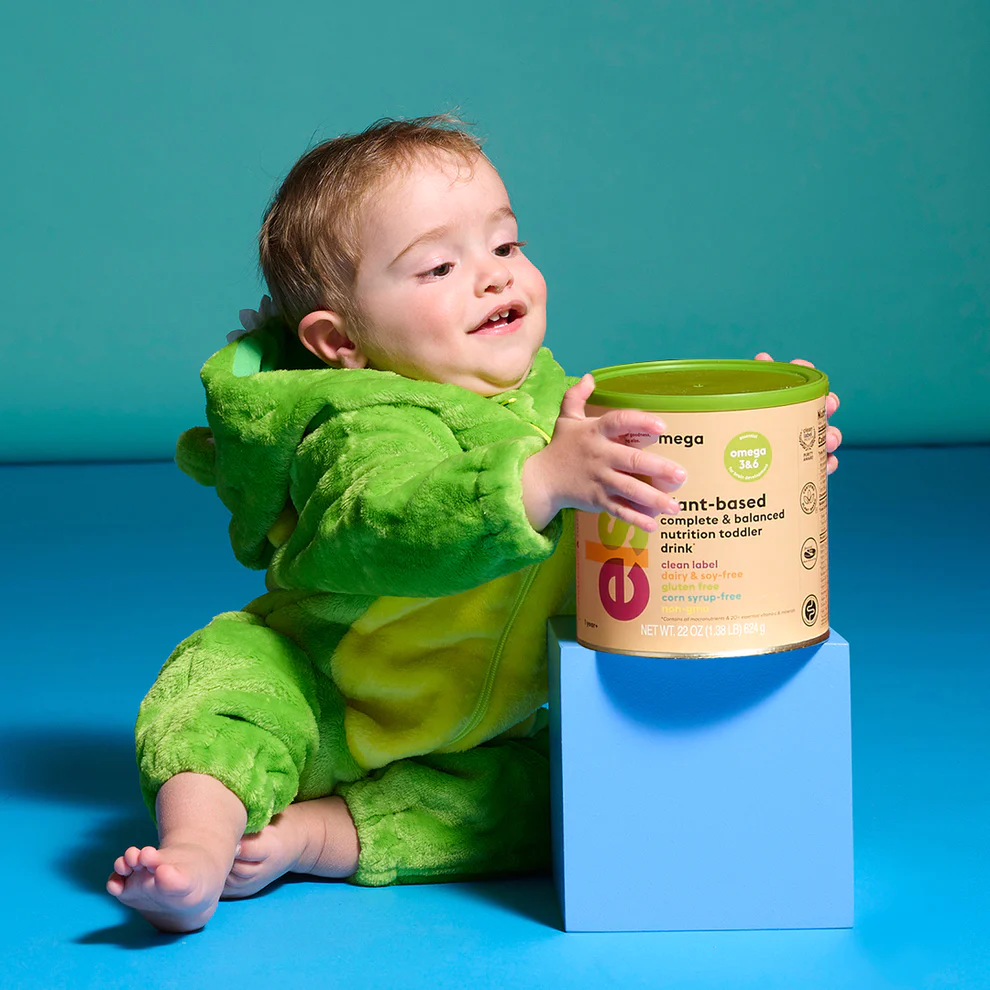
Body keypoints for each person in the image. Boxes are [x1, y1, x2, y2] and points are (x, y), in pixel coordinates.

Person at [107, 115, 842, 933]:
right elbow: (381, 524)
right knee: (219, 702)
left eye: (505, 245)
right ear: (340, 341)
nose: (494, 279)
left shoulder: (543, 396)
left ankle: (323, 836)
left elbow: (637, 488)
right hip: (326, 688)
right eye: (439, 265)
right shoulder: (361, 422)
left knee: (566, 802)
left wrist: (762, 443)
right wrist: (535, 481)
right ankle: (197, 853)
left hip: (487, 725)